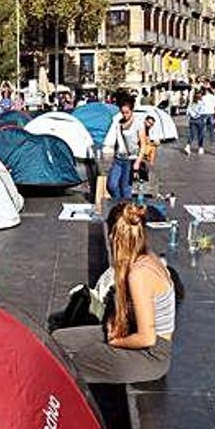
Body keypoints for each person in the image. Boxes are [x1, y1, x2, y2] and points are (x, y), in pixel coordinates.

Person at [51, 202, 174, 384]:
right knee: (58, 340)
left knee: (72, 362)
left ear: (112, 236)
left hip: (151, 356)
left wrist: (115, 341)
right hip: (130, 333)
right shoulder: (147, 255)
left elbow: (147, 338)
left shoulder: (139, 275)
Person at [103, 96, 144, 201]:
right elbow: (116, 141)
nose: (125, 115)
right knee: (111, 185)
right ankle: (119, 202)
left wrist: (138, 162)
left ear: (132, 111)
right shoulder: (119, 123)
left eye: (127, 112)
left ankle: (126, 209)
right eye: (122, 112)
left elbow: (143, 144)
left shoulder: (138, 123)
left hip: (130, 159)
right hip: (118, 158)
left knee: (125, 188)